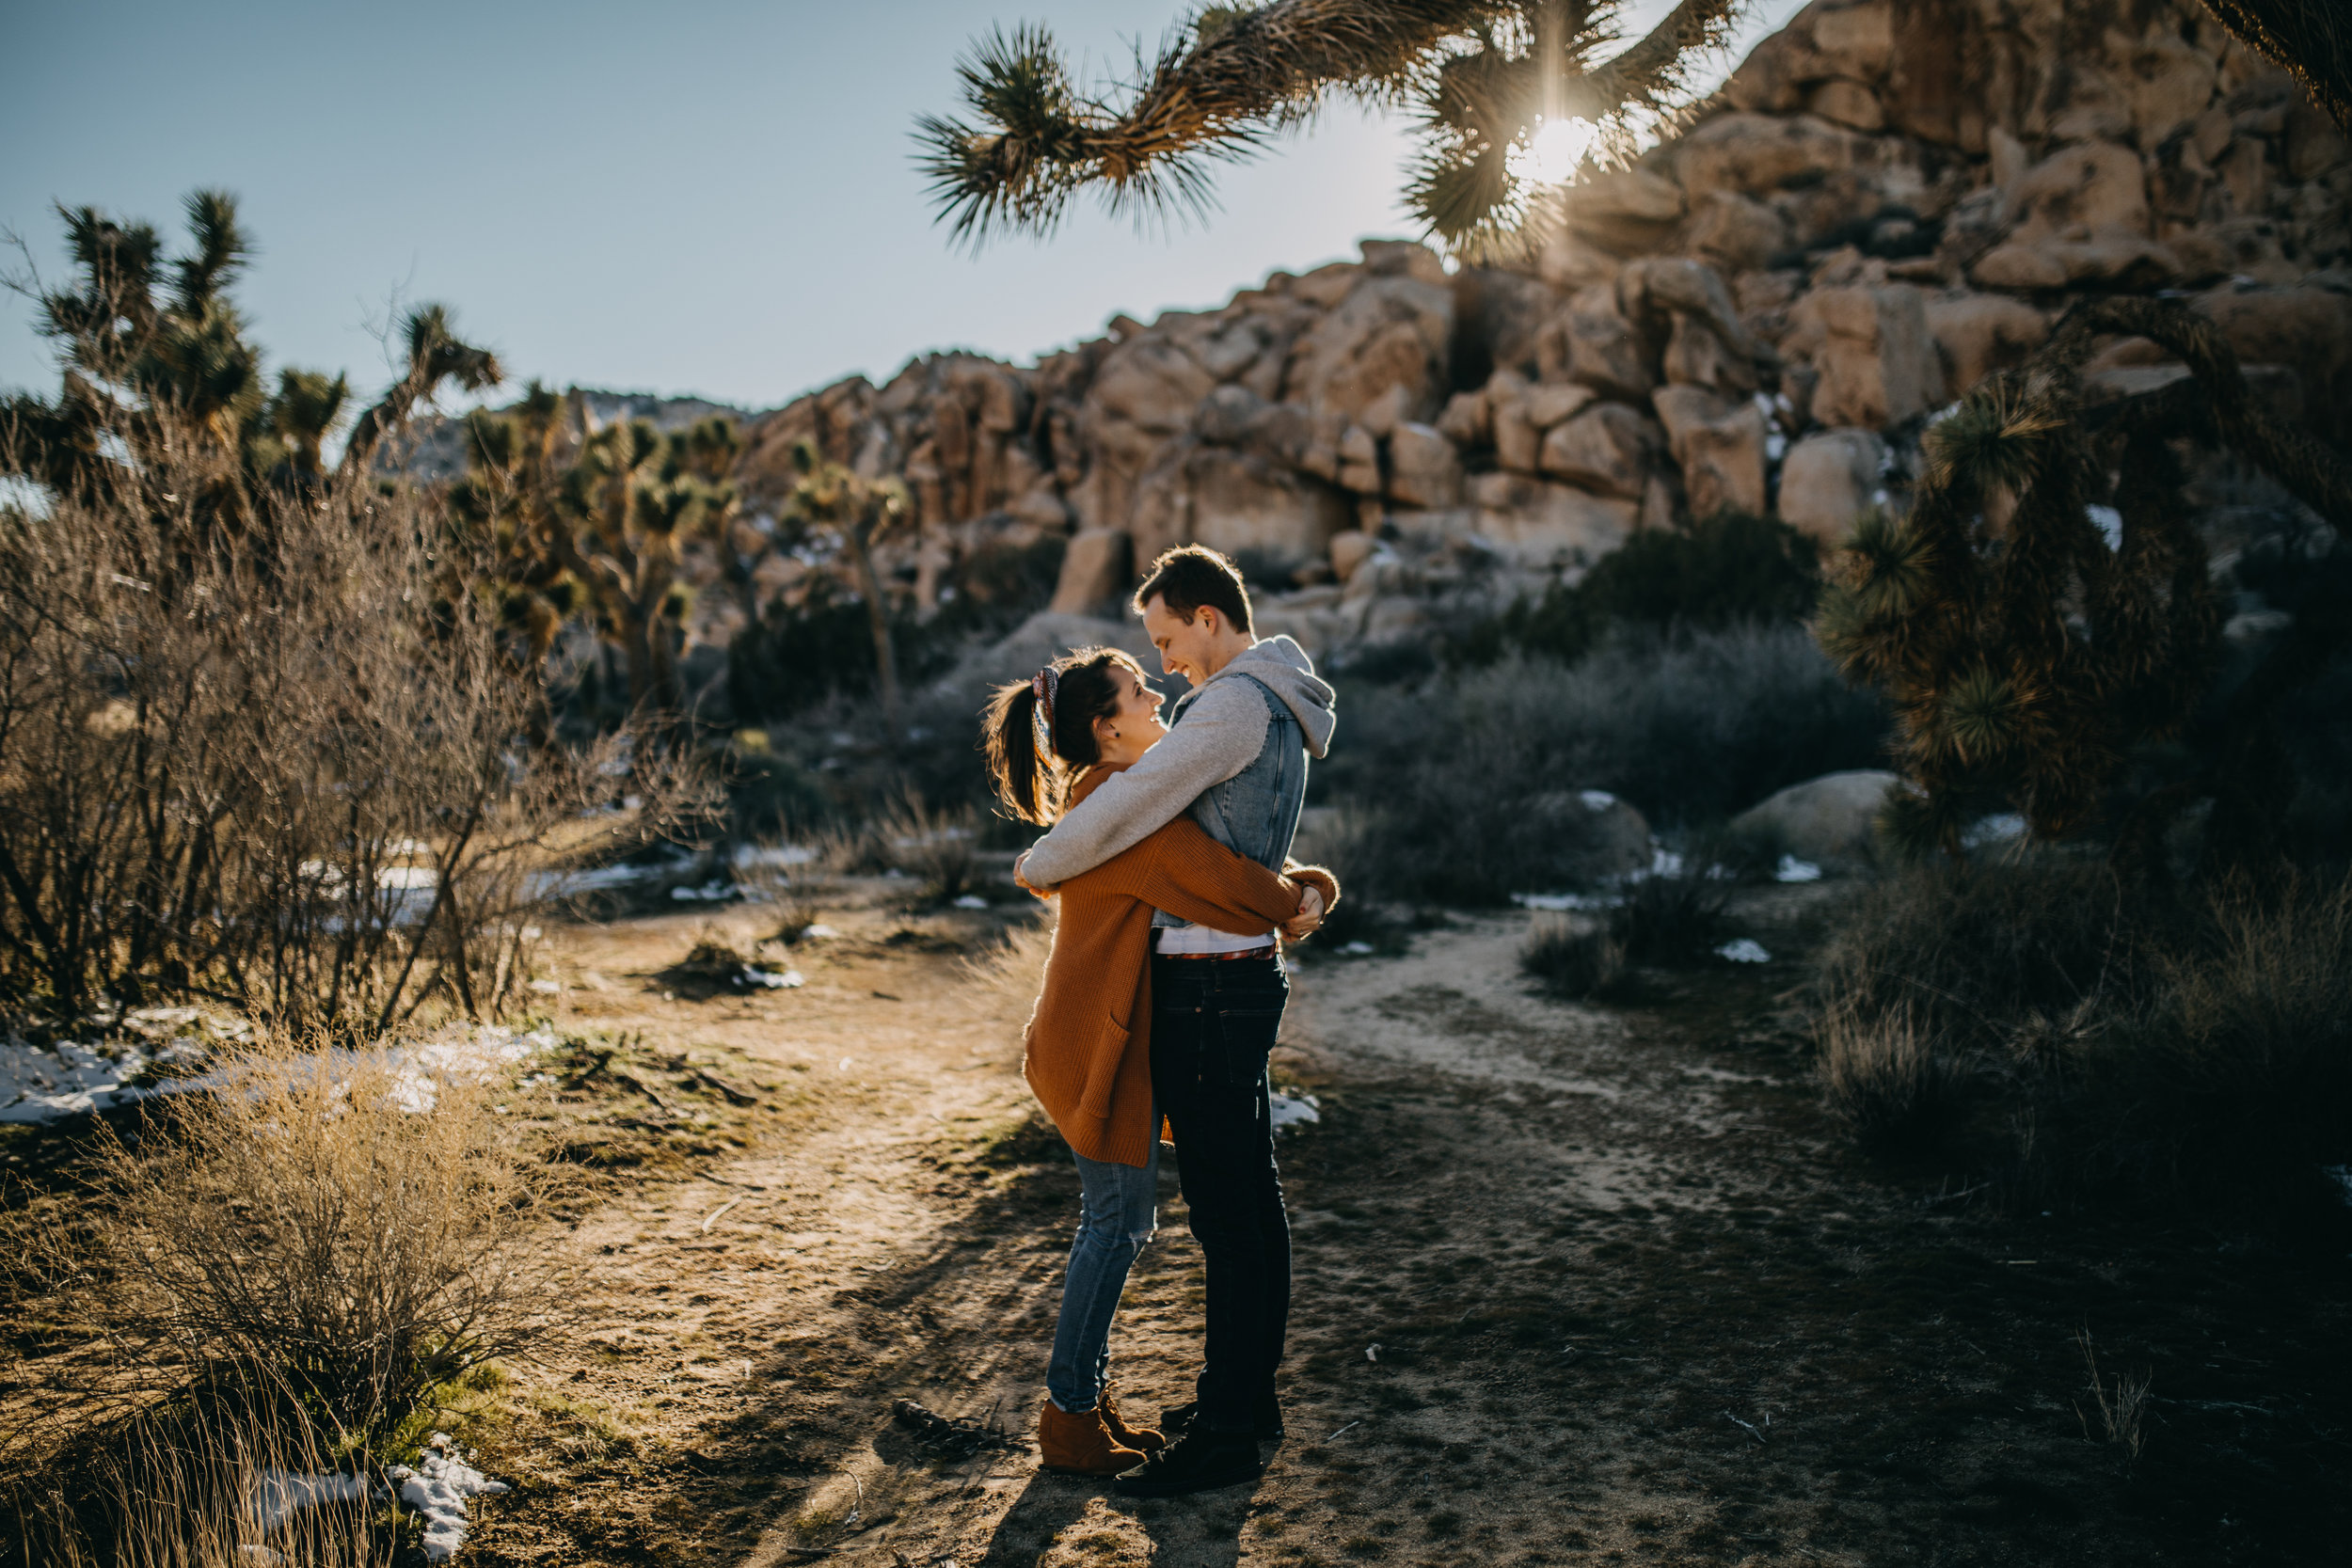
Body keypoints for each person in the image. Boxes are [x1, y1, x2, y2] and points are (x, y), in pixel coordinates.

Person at [1013, 546, 1336, 1498]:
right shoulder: (1133, 790)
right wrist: (1296, 895)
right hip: (1104, 1035)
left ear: (1205, 616)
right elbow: (1204, 868)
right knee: (1149, 1218)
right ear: (1104, 729)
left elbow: (1206, 863)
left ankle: (1214, 1413)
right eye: (1144, 668)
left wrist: (1293, 892)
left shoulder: (1228, 705)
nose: (1164, 673)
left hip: (1179, 1003)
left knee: (1209, 1212)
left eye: (1165, 642)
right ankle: (1093, 1410)